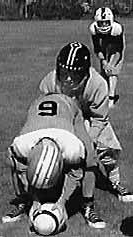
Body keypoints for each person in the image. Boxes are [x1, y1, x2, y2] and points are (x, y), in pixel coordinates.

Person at [39, 41, 133, 203]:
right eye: (63, 72)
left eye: (74, 75)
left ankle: (114, 181)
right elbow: (42, 112)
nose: (68, 79)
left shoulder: (98, 85)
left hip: (89, 117)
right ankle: (50, 181)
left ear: (85, 73)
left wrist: (89, 141)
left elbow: (99, 118)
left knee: (108, 148)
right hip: (62, 119)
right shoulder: (49, 83)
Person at [2, 92, 106, 229]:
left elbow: (75, 174)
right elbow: (20, 169)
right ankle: (23, 201)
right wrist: (34, 199)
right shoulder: (21, 145)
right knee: (13, 164)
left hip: (69, 106)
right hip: (39, 106)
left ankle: (88, 205)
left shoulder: (72, 148)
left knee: (90, 158)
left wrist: (62, 201)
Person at [89, 7, 125, 109]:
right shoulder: (94, 29)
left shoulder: (117, 29)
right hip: (104, 44)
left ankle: (111, 98)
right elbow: (97, 48)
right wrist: (104, 61)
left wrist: (111, 64)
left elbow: (118, 50)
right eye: (101, 23)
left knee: (112, 71)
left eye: (106, 22)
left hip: (114, 46)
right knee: (104, 72)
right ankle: (103, 95)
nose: (104, 25)